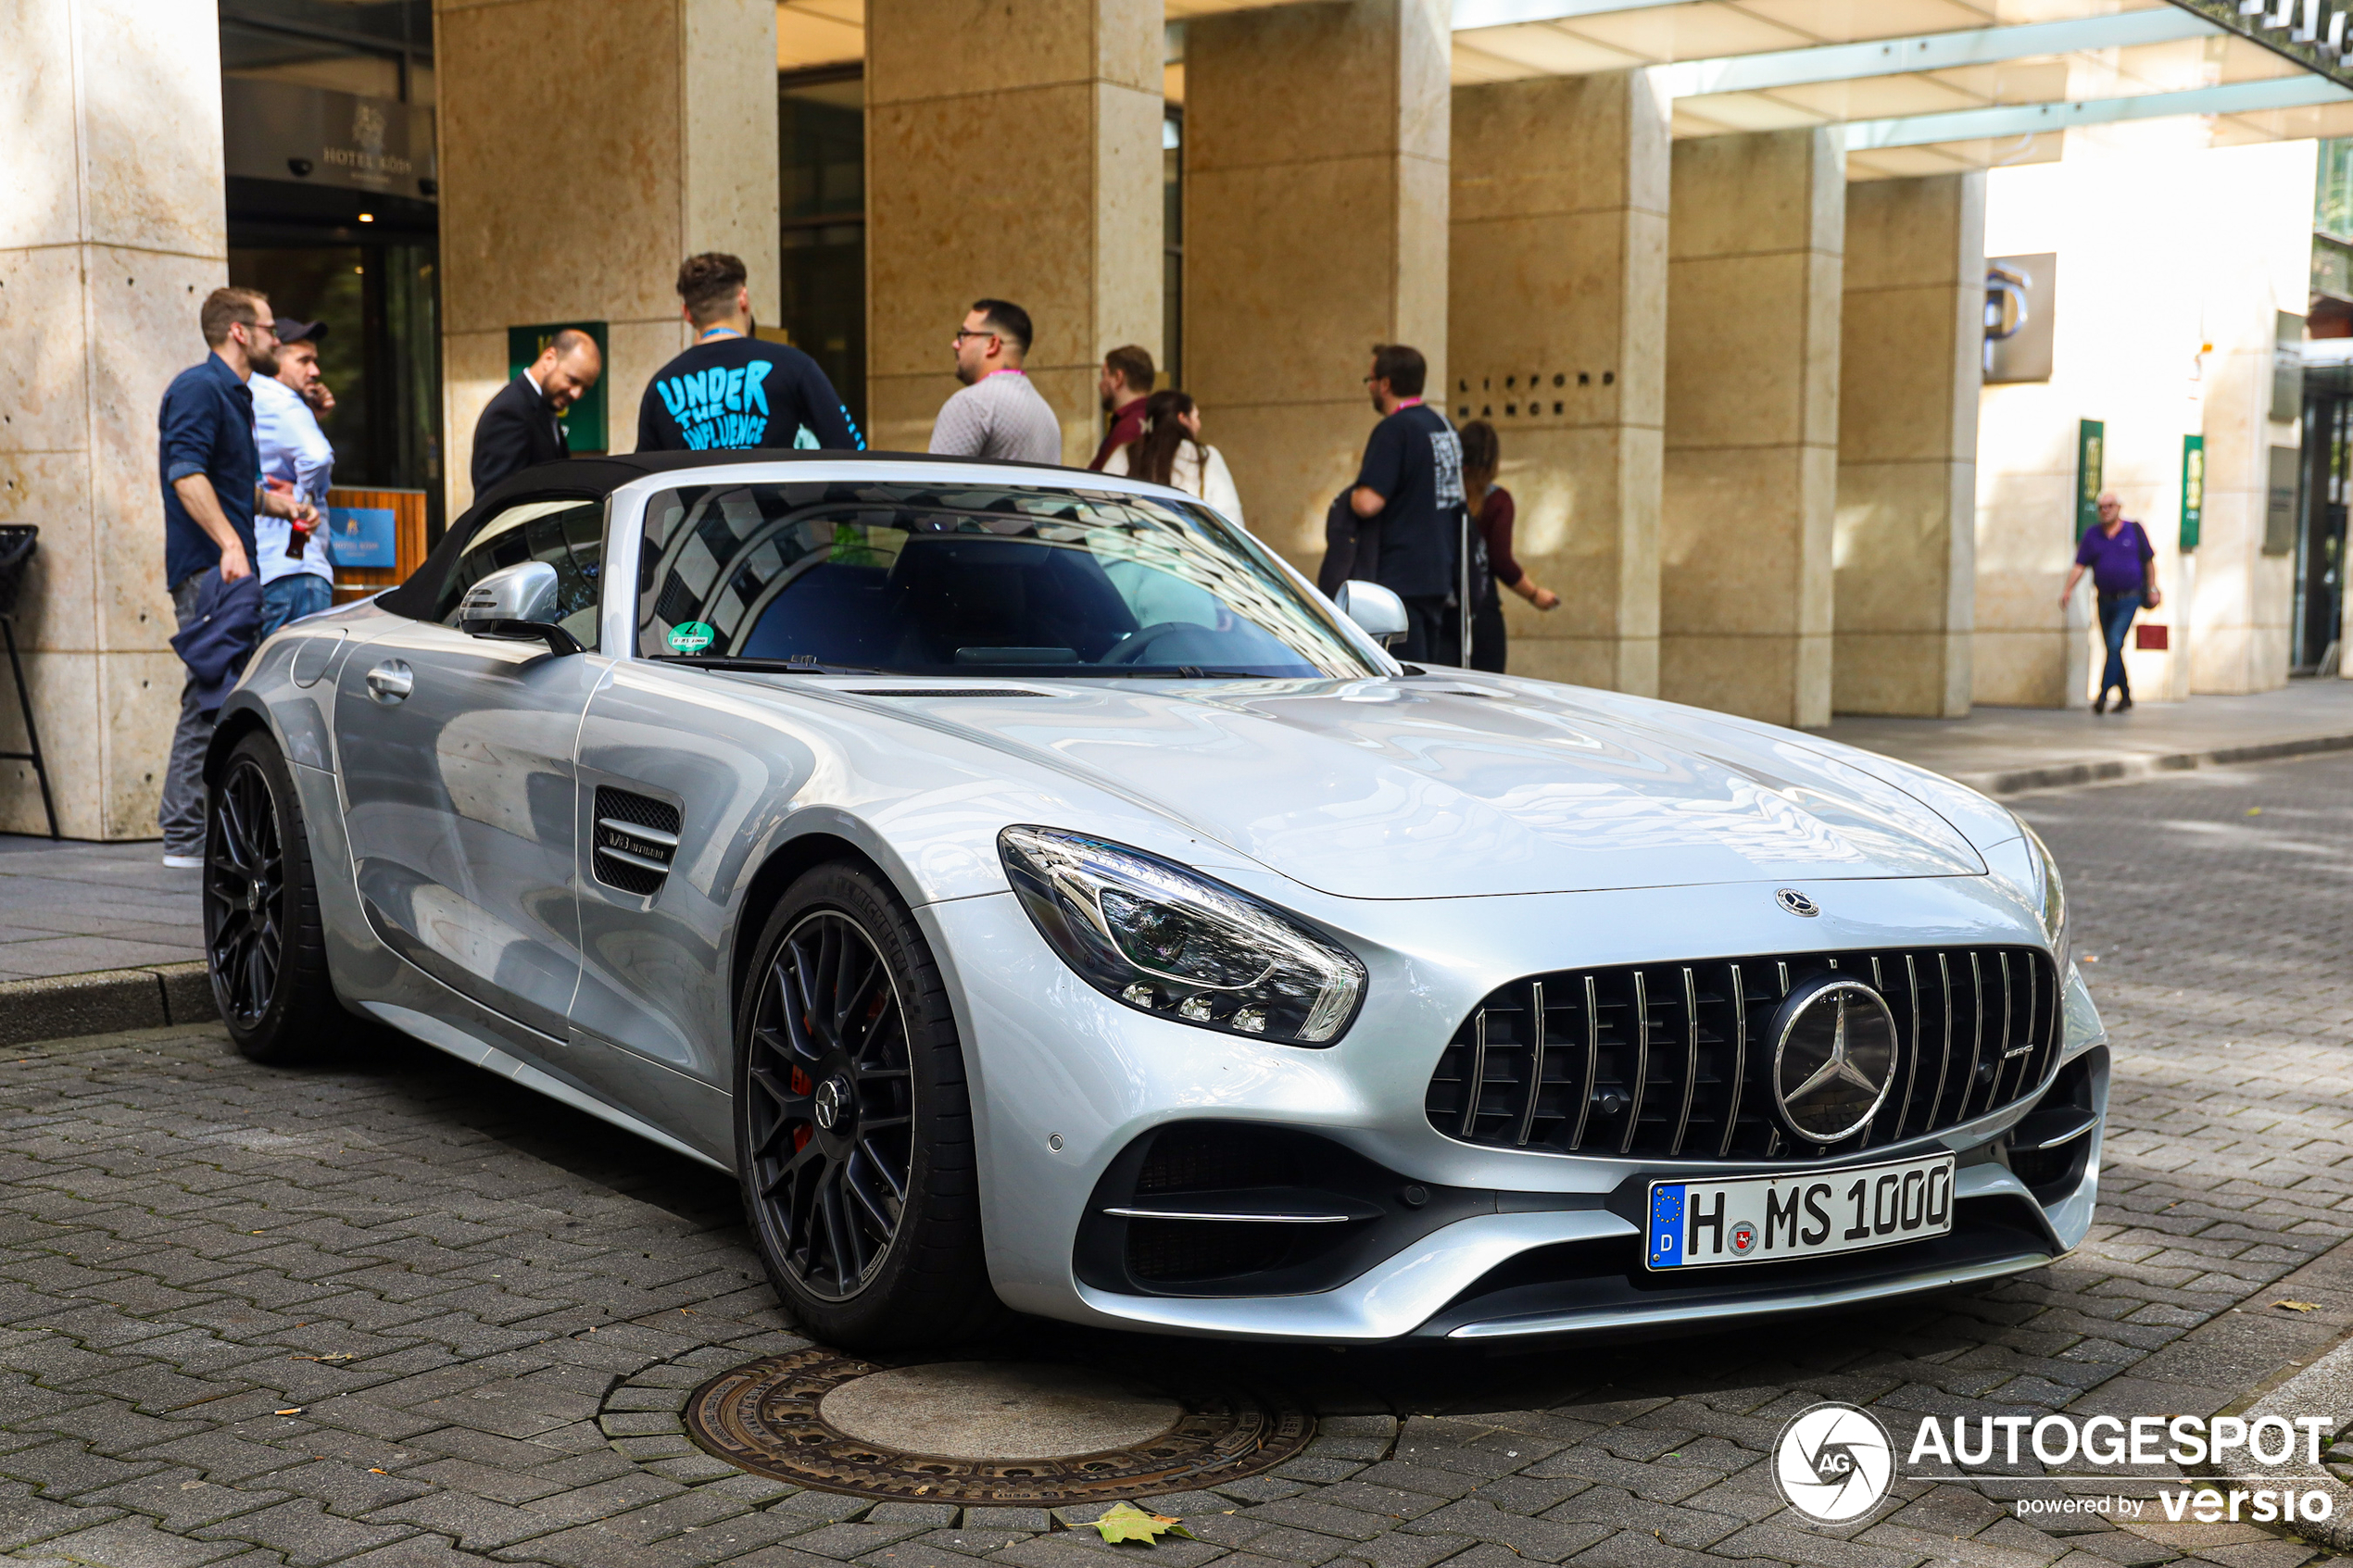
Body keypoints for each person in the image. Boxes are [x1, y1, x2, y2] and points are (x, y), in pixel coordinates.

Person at [157, 286, 316, 867]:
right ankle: (183, 836)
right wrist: (228, 543)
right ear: (240, 332)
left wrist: (285, 508)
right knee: (213, 696)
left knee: (214, 696)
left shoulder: (235, 394)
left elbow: (229, 487)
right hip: (211, 571)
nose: (278, 337)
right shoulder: (199, 389)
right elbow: (186, 474)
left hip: (226, 567)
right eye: (271, 328)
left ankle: (192, 831)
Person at [636, 252, 862, 453]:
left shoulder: (661, 387)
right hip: (773, 501)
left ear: (687, 313)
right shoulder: (794, 366)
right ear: (743, 298)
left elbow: (641, 476)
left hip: (693, 502)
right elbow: (852, 452)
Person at [1345, 344, 1465, 663]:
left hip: (1399, 579)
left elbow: (1367, 503)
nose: (1369, 387)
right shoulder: (1445, 427)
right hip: (1440, 574)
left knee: (1402, 682)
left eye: (1369, 379)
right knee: (1430, 677)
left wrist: (1352, 495)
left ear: (1385, 384)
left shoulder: (1394, 430)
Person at [251, 319, 336, 638]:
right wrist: (305, 495)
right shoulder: (282, 401)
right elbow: (317, 456)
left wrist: (313, 417)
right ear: (276, 361)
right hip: (296, 571)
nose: (315, 371)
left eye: (315, 360)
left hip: (271, 569)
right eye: (303, 360)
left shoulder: (253, 396)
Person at [1457, 421, 1557, 673]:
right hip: (1481, 610)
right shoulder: (1498, 501)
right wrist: (1534, 594)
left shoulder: (1443, 496)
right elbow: (1501, 561)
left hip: (1442, 610)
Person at [2059, 489, 2161, 713]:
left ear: (2118, 508)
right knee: (2113, 647)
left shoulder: (2134, 530)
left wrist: (2153, 588)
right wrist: (2068, 589)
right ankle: (2125, 695)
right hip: (2104, 599)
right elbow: (2079, 565)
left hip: (2130, 597)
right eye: (2101, 507)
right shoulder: (2092, 535)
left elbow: (2148, 561)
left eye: (2109, 506)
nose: (2105, 511)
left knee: (2115, 642)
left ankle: (2103, 694)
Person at [930, 299, 1062, 465]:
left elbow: (938, 484)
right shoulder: (1046, 414)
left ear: (992, 344)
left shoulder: (971, 403)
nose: (955, 344)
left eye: (964, 334)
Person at [471, 329, 600, 495]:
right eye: (572, 380)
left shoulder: (543, 409)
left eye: (585, 388)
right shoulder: (509, 413)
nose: (576, 394)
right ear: (549, 359)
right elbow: (496, 502)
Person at [1103, 390, 1245, 527]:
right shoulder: (1204, 456)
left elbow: (1101, 503)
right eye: (1196, 417)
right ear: (1182, 418)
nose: (1199, 424)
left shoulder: (1126, 453)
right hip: (1188, 548)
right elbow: (1229, 517)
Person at [1088, 345, 1154, 470]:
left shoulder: (1127, 429)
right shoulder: (1159, 419)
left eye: (1104, 375)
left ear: (1118, 378)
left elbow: (1108, 482)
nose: (1100, 384)